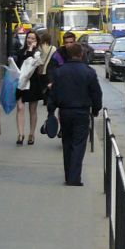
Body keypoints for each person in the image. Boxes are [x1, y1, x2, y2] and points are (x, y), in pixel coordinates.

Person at [46, 41, 102, 186]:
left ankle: (68, 175)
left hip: (65, 112)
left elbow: (53, 93)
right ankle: (74, 178)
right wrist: (96, 110)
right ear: (81, 54)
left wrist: (51, 111)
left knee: (67, 143)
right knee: (78, 144)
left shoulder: (60, 72)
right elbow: (96, 93)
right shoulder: (89, 72)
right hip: (82, 112)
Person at [12, 30, 40, 145]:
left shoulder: (37, 53)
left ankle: (31, 134)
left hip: (33, 83)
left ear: (36, 41)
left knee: (32, 110)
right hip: (21, 83)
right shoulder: (20, 52)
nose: (30, 40)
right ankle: (20, 134)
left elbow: (30, 62)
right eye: (29, 38)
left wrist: (30, 49)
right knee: (20, 108)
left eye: (33, 39)